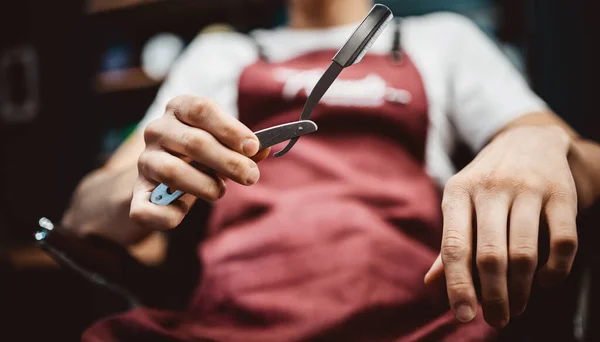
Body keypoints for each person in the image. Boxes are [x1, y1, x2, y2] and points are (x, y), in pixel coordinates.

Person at [62, 0, 600, 340]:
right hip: (228, 326)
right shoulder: (219, 54)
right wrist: (136, 189)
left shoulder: (442, 41)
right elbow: (84, 212)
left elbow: (586, 163)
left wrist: (540, 139)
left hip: (424, 325)